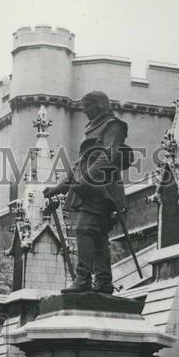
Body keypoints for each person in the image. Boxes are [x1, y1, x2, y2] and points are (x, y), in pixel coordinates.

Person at [43, 90, 129, 294]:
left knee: (84, 230)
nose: (85, 111)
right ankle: (104, 282)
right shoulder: (92, 128)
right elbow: (79, 165)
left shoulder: (113, 125)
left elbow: (108, 155)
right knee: (98, 236)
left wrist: (86, 179)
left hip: (103, 190)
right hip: (90, 190)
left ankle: (83, 280)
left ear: (100, 105)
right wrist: (58, 188)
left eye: (88, 106)